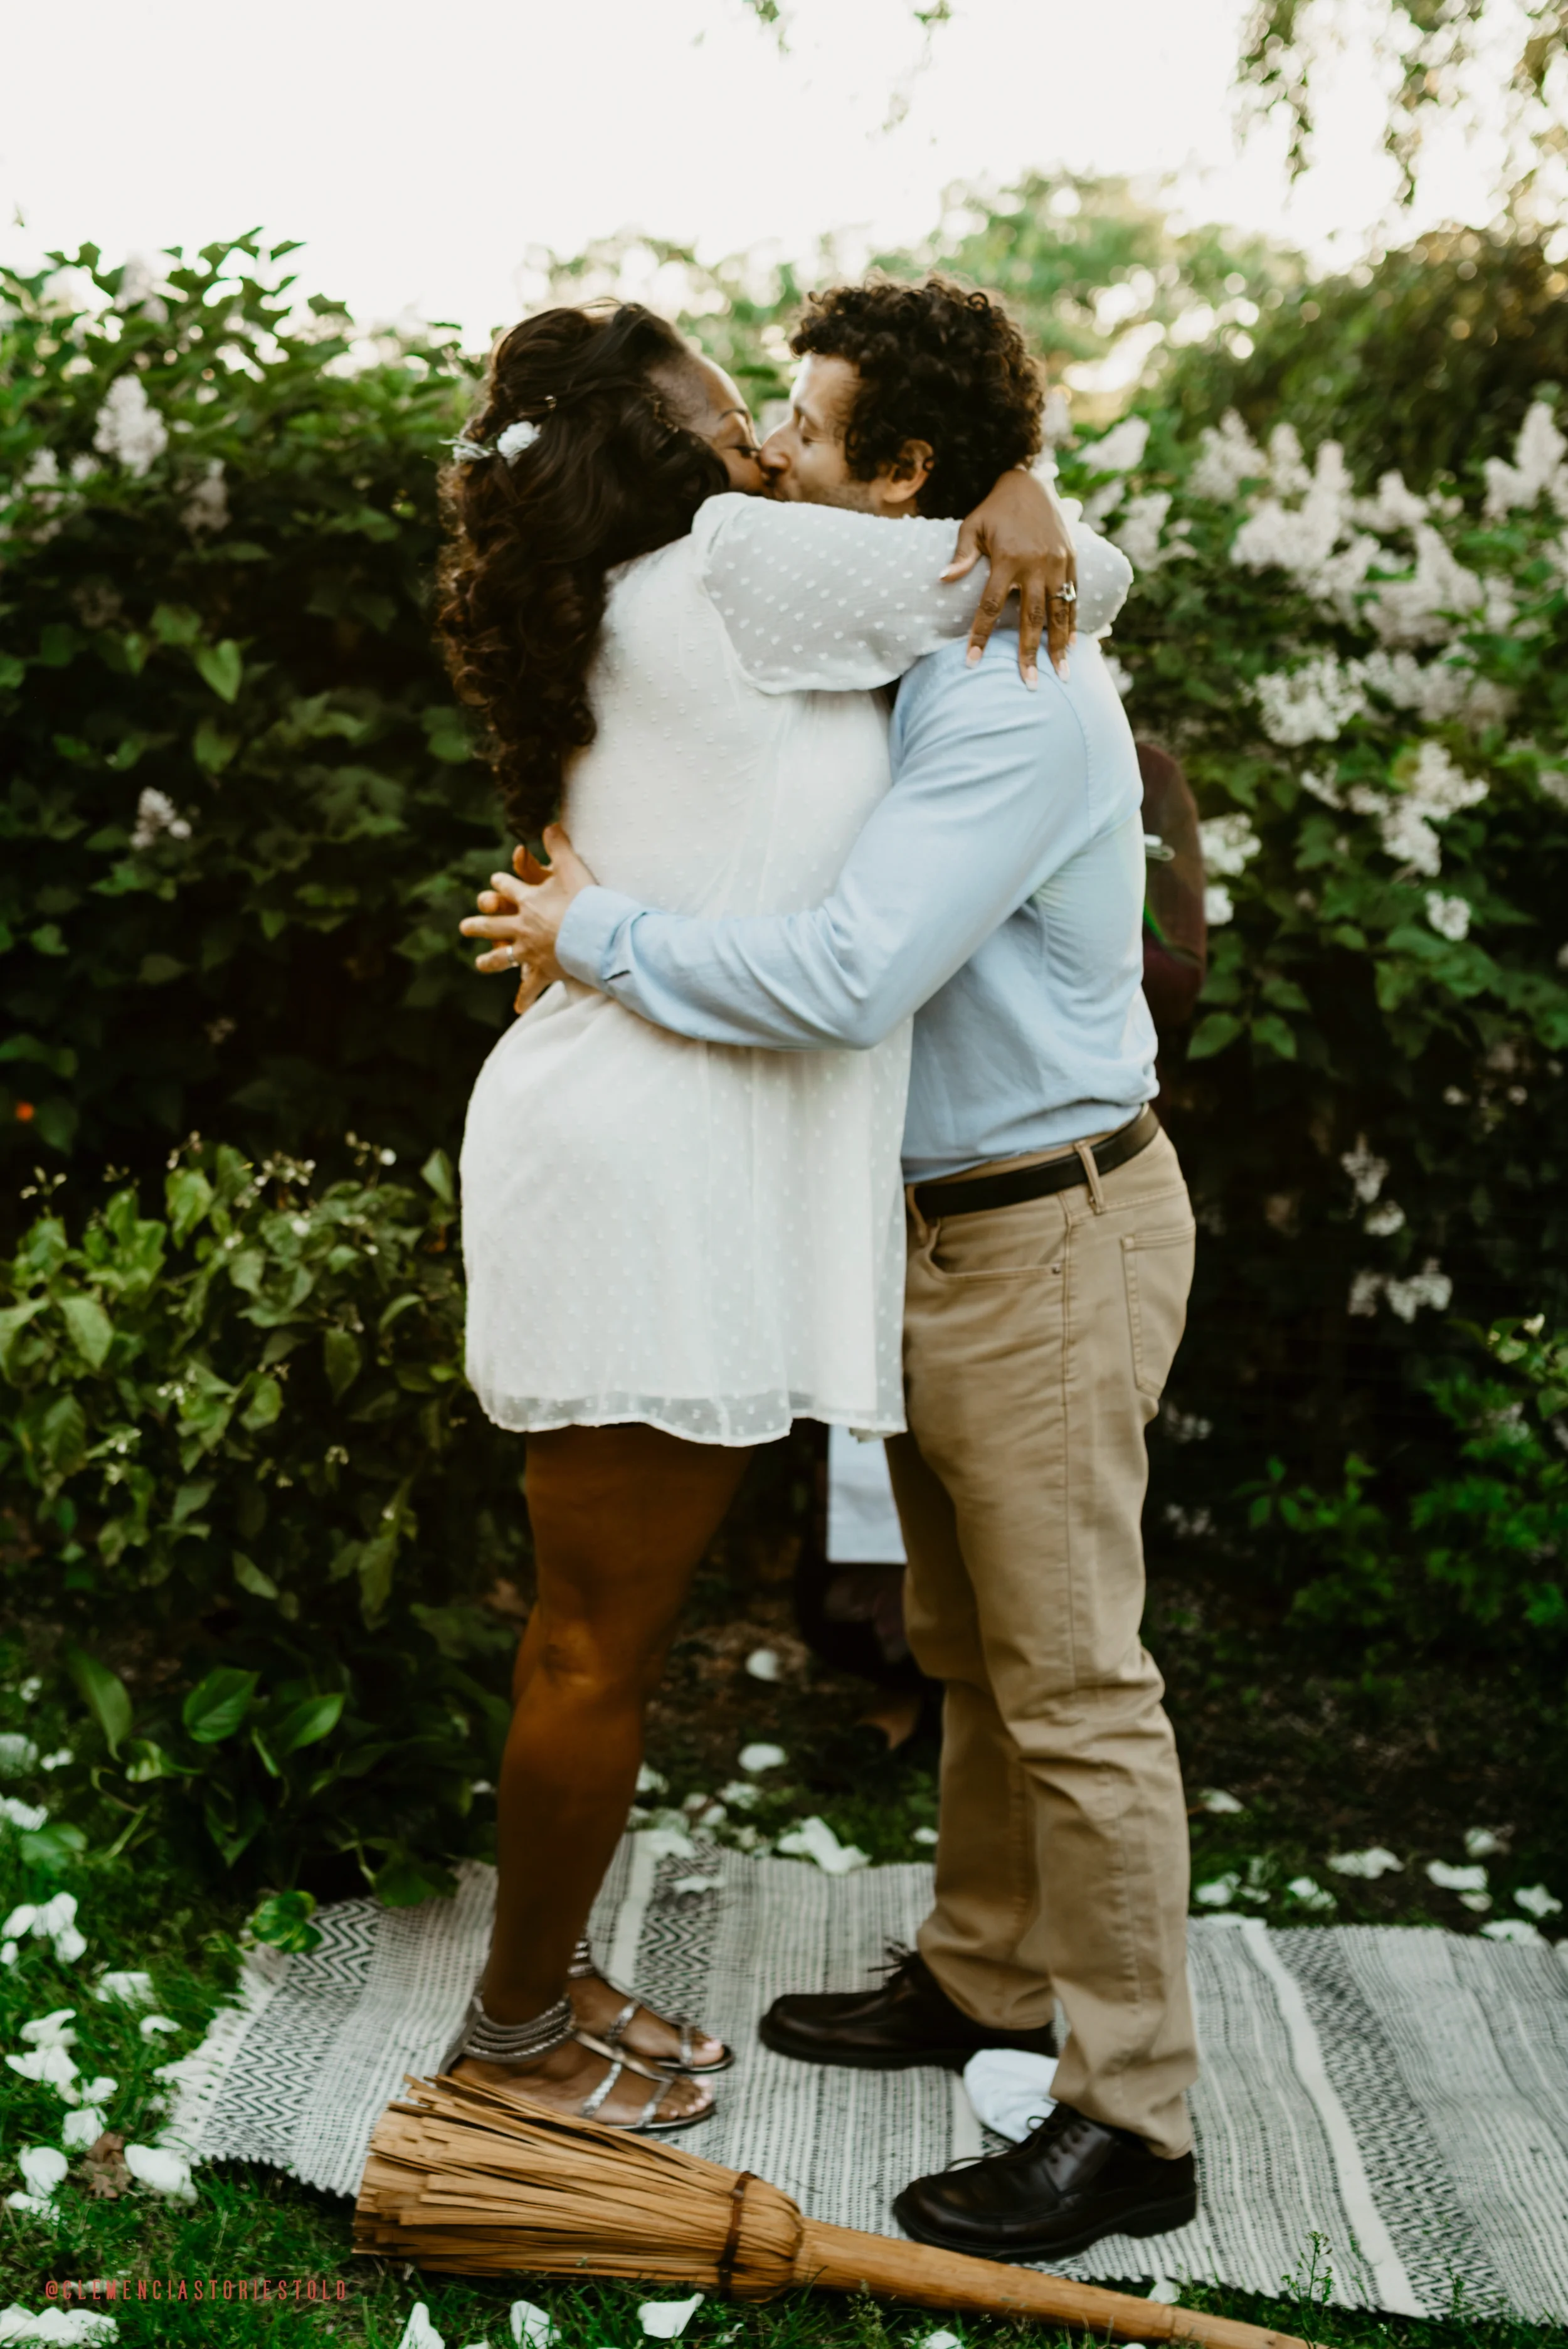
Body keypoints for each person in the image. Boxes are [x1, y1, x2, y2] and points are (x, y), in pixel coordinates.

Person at [491, 278, 1200, 2257]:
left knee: (1074, 1687)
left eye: (804, 434)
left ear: (897, 474)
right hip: (941, 1229)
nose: (768, 461)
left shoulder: (1008, 679)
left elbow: (842, 978)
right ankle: (979, 1976)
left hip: (1048, 1223)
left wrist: (595, 934)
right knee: (975, 1648)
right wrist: (1030, 489)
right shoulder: (929, 605)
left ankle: (1131, 2113)